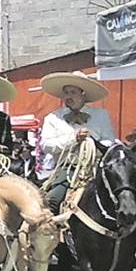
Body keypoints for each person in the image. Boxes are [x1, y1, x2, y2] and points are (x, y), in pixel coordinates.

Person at [38, 71, 119, 214]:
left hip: (96, 168)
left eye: (73, 92)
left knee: (123, 196)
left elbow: (109, 140)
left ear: (83, 93)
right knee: (53, 200)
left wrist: (93, 144)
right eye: (66, 93)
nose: (68, 97)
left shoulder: (101, 115)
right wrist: (73, 139)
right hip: (67, 169)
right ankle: (51, 233)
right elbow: (46, 145)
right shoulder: (53, 118)